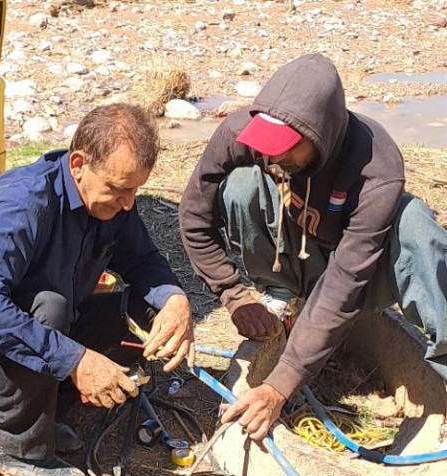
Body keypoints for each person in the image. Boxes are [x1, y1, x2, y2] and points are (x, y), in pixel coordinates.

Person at [0, 103, 195, 476]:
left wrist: (175, 301)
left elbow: (144, 261)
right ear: (78, 162)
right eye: (118, 189)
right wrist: (77, 360)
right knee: (51, 305)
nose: (129, 204)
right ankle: (12, 446)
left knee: (140, 309)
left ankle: (44, 415)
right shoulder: (21, 203)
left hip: (18, 343)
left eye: (135, 191)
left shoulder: (113, 201)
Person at [179, 53, 447, 441]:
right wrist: (233, 294)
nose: (272, 157)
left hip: (359, 273)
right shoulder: (244, 131)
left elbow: (345, 283)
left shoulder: (376, 168)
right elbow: (194, 215)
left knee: (420, 230)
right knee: (239, 185)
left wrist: (280, 384)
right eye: (267, 146)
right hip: (290, 253)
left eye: (286, 149)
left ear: (321, 135)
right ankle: (280, 290)